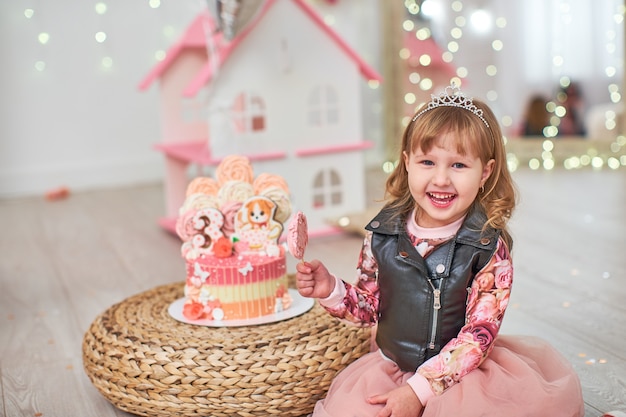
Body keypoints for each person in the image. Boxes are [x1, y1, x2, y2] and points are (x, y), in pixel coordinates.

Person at [296, 84, 585, 417]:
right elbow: (370, 307)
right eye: (427, 162)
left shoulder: (488, 247)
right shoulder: (383, 235)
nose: (441, 179)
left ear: (485, 172)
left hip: (461, 375)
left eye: (459, 165)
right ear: (407, 163)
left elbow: (478, 336)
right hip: (393, 367)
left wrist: (418, 392)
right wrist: (331, 289)